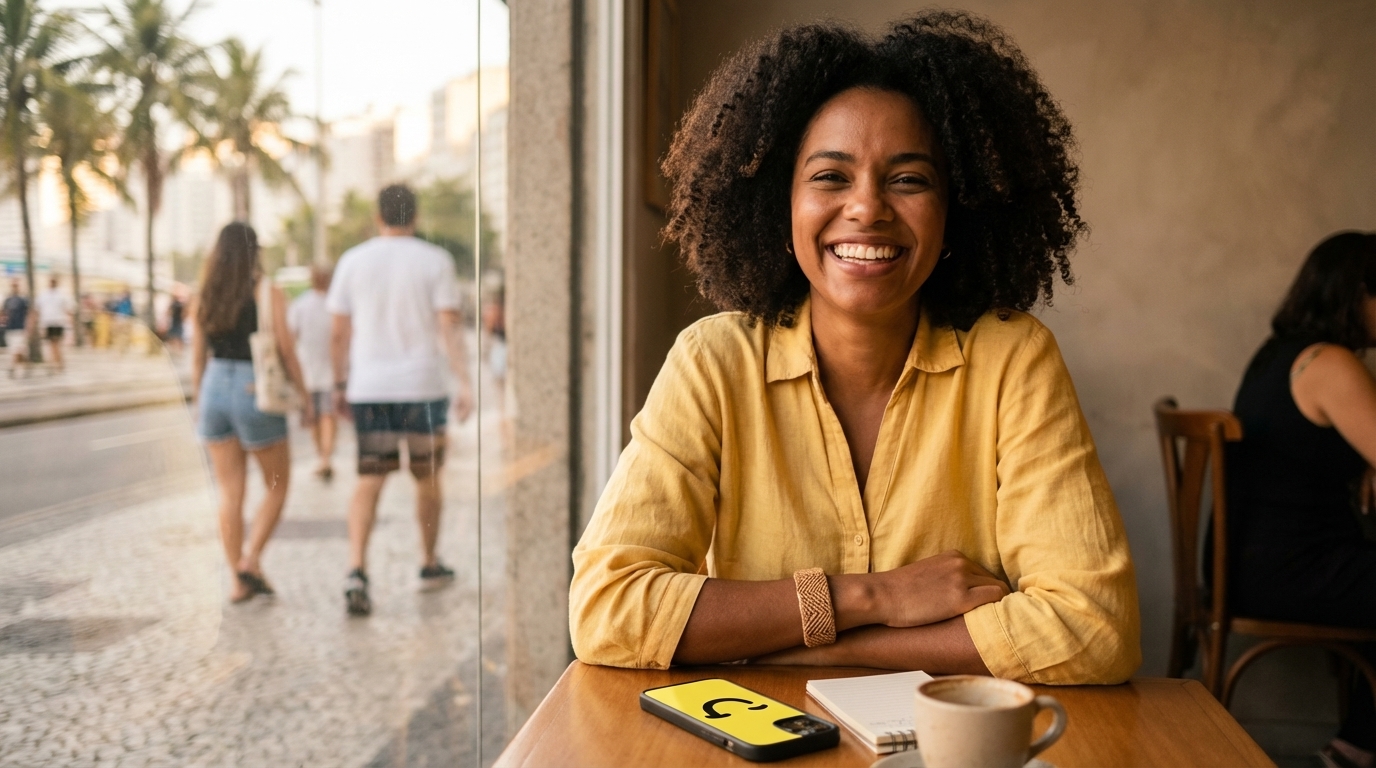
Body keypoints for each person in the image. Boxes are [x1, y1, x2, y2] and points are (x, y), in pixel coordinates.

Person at [568, 12, 1140, 683]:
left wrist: (804, 646)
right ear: (779, 206)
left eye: (909, 179)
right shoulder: (712, 362)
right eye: (831, 177)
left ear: (956, 210)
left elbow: (1094, 628)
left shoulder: (1013, 359)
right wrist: (875, 598)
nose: (867, 208)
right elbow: (608, 610)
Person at [1227, 231, 1376, 768]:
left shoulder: (1278, 356)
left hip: (1247, 565)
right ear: (1357, 293)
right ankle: (1355, 749)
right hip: (1293, 571)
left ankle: (1358, 744)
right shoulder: (1331, 363)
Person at [328, 183, 474, 617]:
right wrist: (464, 381)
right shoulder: (435, 261)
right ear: (415, 216)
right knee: (426, 479)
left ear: (378, 216)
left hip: (371, 389)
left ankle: (357, 569)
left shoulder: (353, 261)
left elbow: (339, 332)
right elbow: (449, 328)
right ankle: (428, 564)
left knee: (369, 479)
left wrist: (339, 384)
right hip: (423, 387)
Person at [192, 222, 312, 604]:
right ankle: (251, 559)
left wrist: (201, 403)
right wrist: (305, 397)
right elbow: (287, 351)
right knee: (277, 484)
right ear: (254, 252)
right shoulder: (267, 291)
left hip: (213, 386)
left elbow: (197, 357)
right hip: (253, 389)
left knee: (230, 492)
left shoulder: (204, 294)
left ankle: (237, 580)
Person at [289, 264, 338, 480]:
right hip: (331, 371)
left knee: (314, 417)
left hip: (306, 370)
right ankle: (326, 457)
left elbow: (292, 337)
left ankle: (322, 456)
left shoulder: (300, 305)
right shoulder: (336, 304)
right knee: (328, 416)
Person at [34, 277, 72, 371]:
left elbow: (68, 309)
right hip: (49, 322)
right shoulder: (44, 295)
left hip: (57, 322)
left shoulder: (61, 294)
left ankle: (56, 363)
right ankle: (57, 363)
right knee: (53, 344)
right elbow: (37, 310)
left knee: (55, 343)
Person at [3, 280, 28, 364]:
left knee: (19, 349)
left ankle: (16, 365)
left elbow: (28, 314)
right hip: (10, 327)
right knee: (13, 349)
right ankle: (16, 365)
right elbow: (3, 312)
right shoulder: (7, 300)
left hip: (20, 327)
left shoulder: (23, 300)